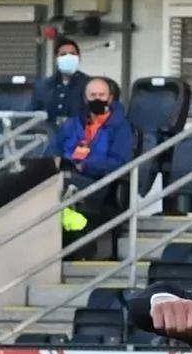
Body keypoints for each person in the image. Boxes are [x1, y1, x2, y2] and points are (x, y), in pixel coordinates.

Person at [54, 76, 136, 254]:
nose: (97, 99)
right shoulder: (72, 125)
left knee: (62, 194)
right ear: (85, 99)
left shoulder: (121, 127)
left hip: (100, 183)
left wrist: (86, 165)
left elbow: (120, 163)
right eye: (93, 95)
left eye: (101, 95)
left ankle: (78, 242)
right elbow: (53, 152)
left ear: (110, 98)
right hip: (66, 176)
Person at [34, 37, 90, 127]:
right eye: (63, 54)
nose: (68, 57)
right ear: (56, 59)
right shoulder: (44, 86)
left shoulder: (90, 85)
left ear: (79, 58)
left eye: (72, 54)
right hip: (50, 133)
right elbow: (31, 115)